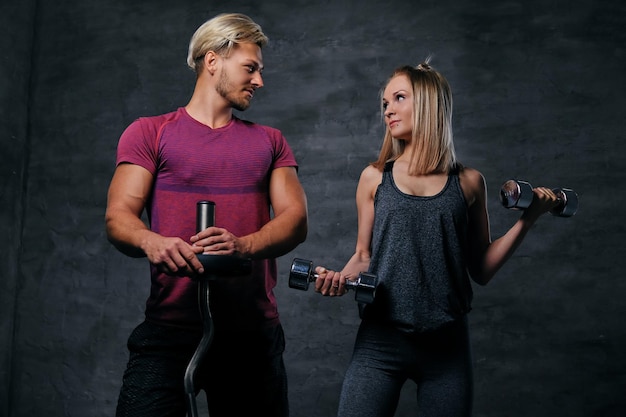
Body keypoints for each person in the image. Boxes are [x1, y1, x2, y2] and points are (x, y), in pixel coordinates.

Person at [313, 59, 560, 417]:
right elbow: (364, 256)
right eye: (384, 103)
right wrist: (340, 278)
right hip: (380, 341)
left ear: (429, 104)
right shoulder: (373, 177)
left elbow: (482, 269)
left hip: (447, 347)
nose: (388, 111)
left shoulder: (469, 183)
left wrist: (529, 219)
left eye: (398, 98)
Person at [105, 13, 308, 417]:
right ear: (212, 61)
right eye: (250, 68)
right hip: (170, 329)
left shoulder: (270, 142)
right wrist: (152, 240)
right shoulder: (150, 132)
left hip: (252, 335)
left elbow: (295, 219)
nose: (259, 81)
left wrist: (244, 245)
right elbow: (119, 216)